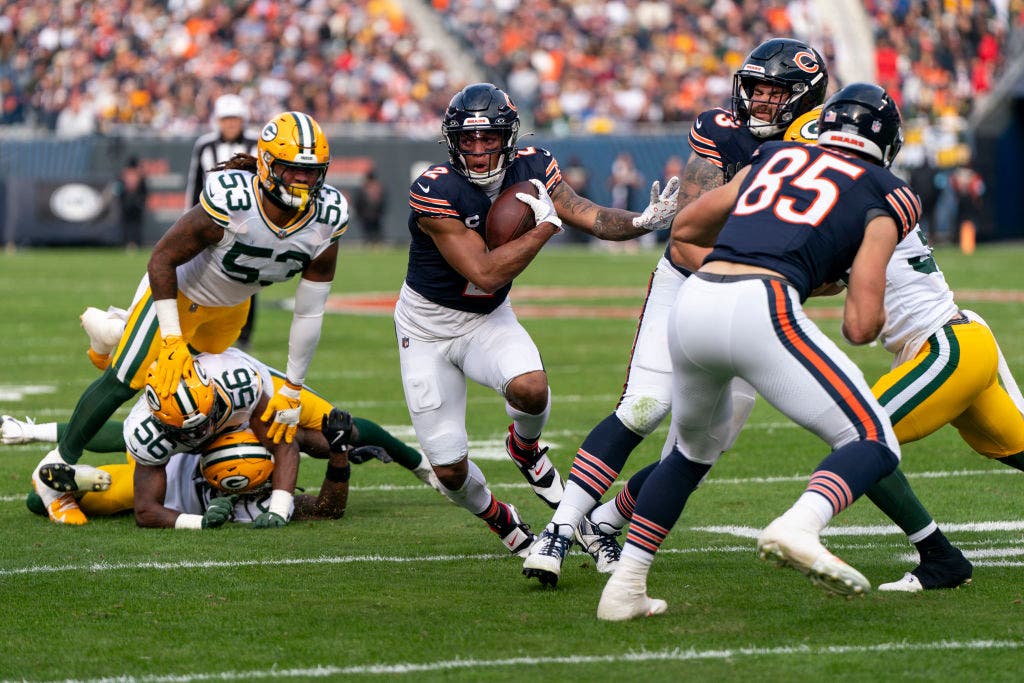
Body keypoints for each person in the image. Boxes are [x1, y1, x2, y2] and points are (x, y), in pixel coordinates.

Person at [596, 82, 918, 621]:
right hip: (763, 304)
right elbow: (860, 326)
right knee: (874, 438)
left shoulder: (774, 155)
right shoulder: (890, 191)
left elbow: (687, 227)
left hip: (695, 301)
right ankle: (800, 524)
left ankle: (625, 588)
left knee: (689, 455)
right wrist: (829, 270)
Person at [523, 38, 830, 587]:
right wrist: (770, 269)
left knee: (702, 448)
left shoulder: (823, 153)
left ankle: (605, 521)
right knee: (644, 407)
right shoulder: (722, 133)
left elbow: (825, 272)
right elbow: (686, 243)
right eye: (756, 88)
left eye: (775, 91)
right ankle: (559, 531)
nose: (760, 100)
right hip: (689, 286)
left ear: (805, 100)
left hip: (755, 303)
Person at [397, 82, 678, 556]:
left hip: (487, 318)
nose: (479, 150)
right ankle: (499, 517)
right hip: (427, 329)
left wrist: (642, 222)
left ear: (508, 138)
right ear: (452, 141)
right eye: (468, 139)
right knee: (448, 469)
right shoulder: (435, 188)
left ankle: (524, 447)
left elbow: (589, 215)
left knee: (531, 389)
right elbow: (486, 273)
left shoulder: (533, 166)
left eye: (489, 138)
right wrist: (546, 227)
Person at [31, 110, 347, 525]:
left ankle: (117, 333)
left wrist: (293, 386)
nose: (303, 181)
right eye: (293, 170)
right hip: (180, 295)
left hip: (231, 307)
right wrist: (171, 337)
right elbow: (162, 259)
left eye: (311, 172)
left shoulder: (327, 217)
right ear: (268, 165)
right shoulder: (233, 201)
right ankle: (56, 466)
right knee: (126, 379)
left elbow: (310, 310)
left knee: (200, 396)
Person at [784, 106, 1019, 592]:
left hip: (946, 348)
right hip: (954, 344)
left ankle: (941, 557)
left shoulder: (856, 200)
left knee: (859, 439)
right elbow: (832, 276)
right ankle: (941, 557)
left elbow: (822, 277)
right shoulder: (867, 195)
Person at [184, 94, 261, 350]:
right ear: (218, 121)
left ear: (243, 120)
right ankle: (201, 329)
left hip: (248, 222)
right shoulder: (205, 145)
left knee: (248, 276)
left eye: (235, 119)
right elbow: (195, 183)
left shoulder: (256, 143)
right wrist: (188, 218)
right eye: (226, 119)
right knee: (202, 274)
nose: (230, 124)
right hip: (213, 221)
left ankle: (244, 335)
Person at [113, 157, 148, 249]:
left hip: (127, 203)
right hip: (135, 204)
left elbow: (118, 189)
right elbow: (144, 190)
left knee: (127, 224)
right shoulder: (139, 174)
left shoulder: (124, 174)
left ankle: (126, 242)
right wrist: (141, 201)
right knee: (135, 225)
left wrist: (121, 201)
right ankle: (135, 243)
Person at [352, 168, 387, 246]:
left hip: (368, 215)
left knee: (370, 232)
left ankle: (373, 243)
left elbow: (359, 201)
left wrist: (360, 213)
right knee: (374, 231)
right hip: (374, 214)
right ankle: (375, 243)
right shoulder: (378, 187)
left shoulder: (366, 188)